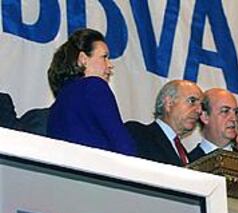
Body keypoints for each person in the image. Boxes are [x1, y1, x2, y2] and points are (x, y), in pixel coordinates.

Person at [47, 28, 136, 156]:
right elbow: (122, 143)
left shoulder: (58, 105)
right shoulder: (94, 86)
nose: (110, 65)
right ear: (83, 59)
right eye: (104, 57)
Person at [125, 80, 203, 166]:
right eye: (192, 101)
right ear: (169, 104)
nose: (199, 110)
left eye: (201, 105)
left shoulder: (183, 153)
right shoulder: (138, 134)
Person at [189, 88, 238, 162]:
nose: (234, 118)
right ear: (205, 117)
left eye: (236, 112)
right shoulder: (188, 165)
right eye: (225, 111)